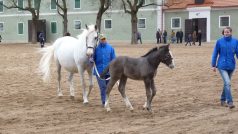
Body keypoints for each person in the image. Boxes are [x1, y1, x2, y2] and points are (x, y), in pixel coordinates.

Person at [211, 26, 238, 109]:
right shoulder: (219, 42)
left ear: (231, 32)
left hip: (231, 66)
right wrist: (213, 65)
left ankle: (222, 100)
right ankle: (230, 102)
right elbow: (215, 54)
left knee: (227, 83)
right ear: (223, 33)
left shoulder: (235, 41)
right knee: (227, 83)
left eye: (228, 32)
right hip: (221, 66)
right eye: (225, 32)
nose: (226, 33)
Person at [93, 34, 116, 106]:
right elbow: (92, 58)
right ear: (99, 40)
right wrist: (90, 59)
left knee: (108, 87)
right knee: (102, 87)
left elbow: (114, 59)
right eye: (102, 39)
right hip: (99, 72)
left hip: (109, 72)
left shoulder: (111, 48)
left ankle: (107, 100)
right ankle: (104, 102)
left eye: (104, 39)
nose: (103, 40)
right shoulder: (96, 49)